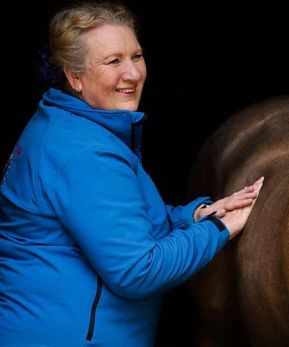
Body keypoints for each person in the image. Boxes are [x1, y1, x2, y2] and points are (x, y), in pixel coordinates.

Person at [0, 2, 263, 346]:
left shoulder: (65, 125)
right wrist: (219, 229)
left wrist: (195, 215)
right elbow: (138, 270)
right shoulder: (85, 154)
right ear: (74, 77)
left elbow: (119, 220)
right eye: (113, 61)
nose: (133, 74)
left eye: (135, 56)